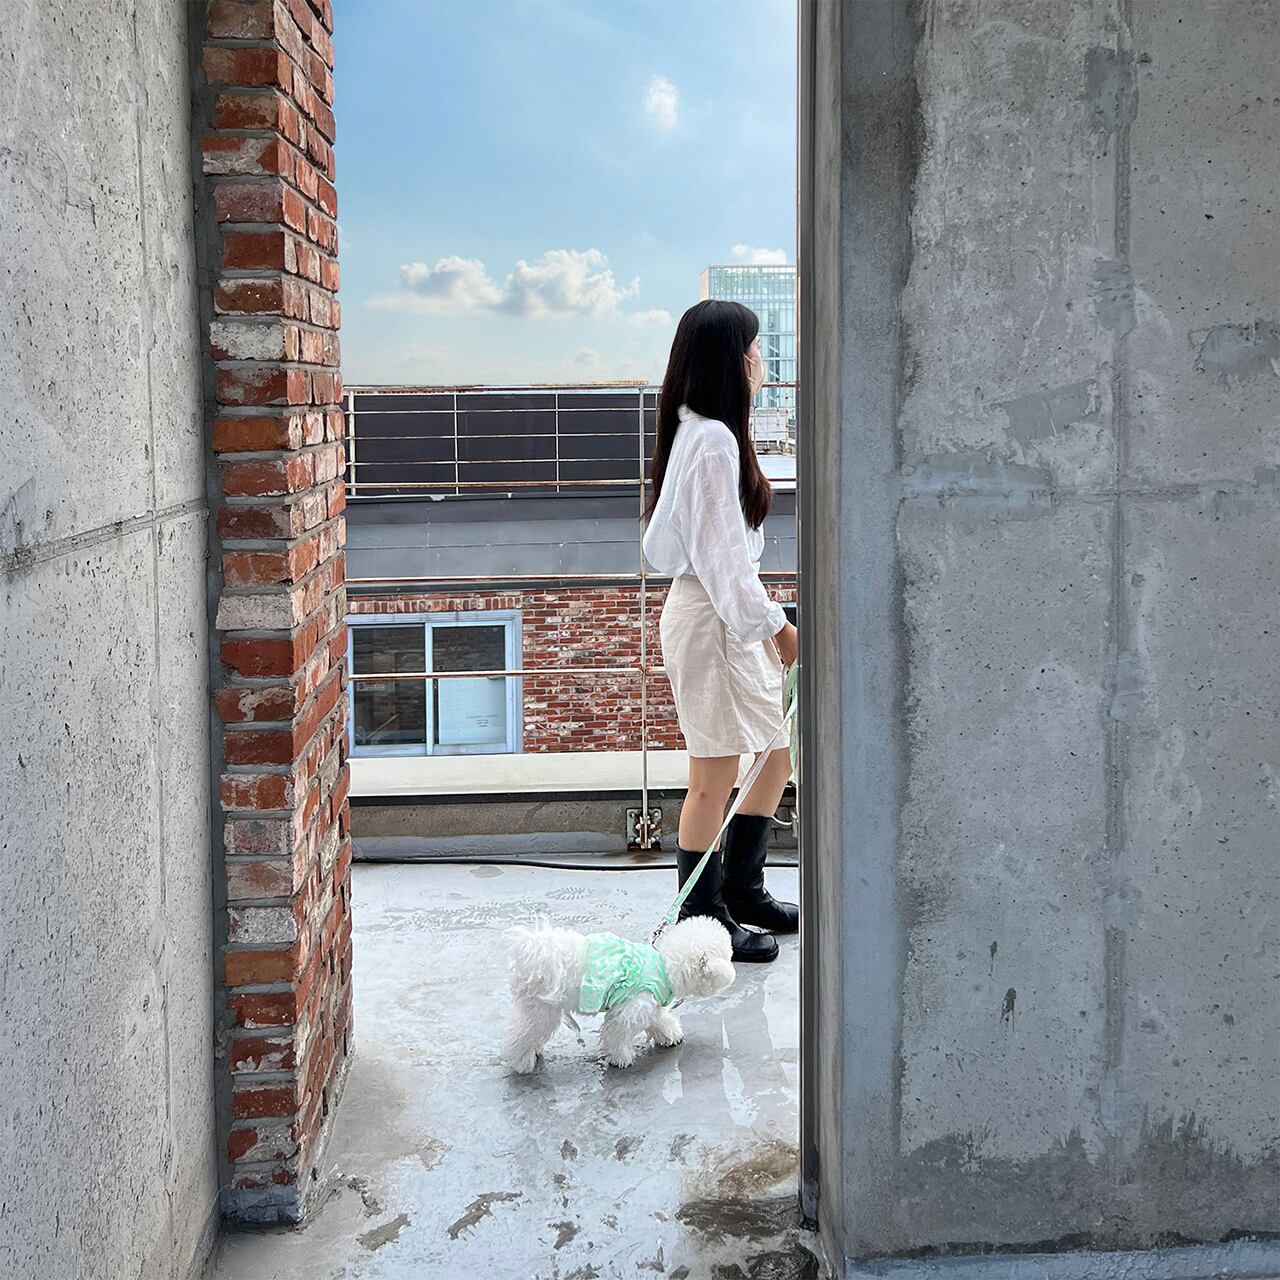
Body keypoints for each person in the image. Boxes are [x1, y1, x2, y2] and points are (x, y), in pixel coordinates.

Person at [642, 300, 798, 964]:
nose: (760, 359)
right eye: (753, 348)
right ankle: (701, 920)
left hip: (723, 616)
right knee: (715, 772)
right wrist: (779, 630)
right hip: (714, 621)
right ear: (730, 361)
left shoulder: (707, 432)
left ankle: (742, 890)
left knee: (774, 754)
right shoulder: (710, 440)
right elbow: (724, 562)